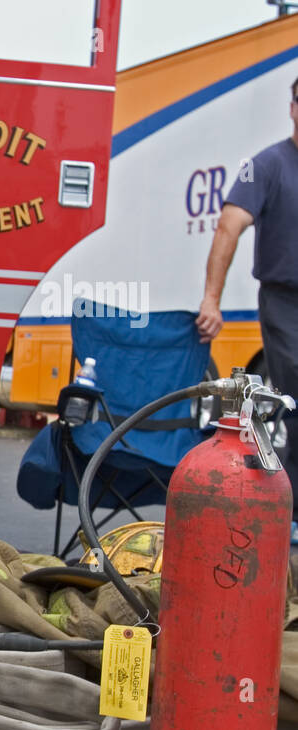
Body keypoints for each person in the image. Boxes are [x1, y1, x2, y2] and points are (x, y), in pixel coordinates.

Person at [196, 76, 298, 539]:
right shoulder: (268, 166)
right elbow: (227, 227)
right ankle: (291, 517)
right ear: (293, 108)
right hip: (287, 301)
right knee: (297, 402)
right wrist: (212, 301)